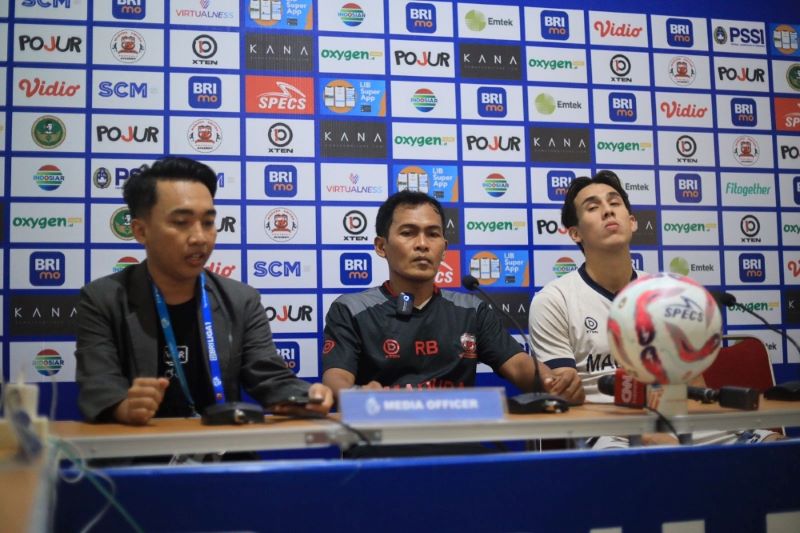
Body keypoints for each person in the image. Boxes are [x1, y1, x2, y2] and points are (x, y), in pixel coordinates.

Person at [529, 170, 779, 446]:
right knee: (658, 448)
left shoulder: (670, 293)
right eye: (593, 207)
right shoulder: (554, 300)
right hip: (609, 432)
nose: (608, 211)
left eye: (614, 203)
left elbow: (695, 386)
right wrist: (651, 436)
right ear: (575, 233)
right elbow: (564, 397)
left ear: (632, 222)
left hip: (682, 422)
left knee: (774, 444)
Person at [75, 157, 333, 425]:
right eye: (181, 222)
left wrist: (304, 397)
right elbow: (98, 385)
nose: (199, 237)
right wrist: (124, 407)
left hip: (220, 446)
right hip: (139, 447)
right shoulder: (103, 299)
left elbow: (270, 378)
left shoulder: (241, 300)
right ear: (141, 231)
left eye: (208, 222)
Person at [322, 190, 554, 400]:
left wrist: (552, 381)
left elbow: (518, 365)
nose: (422, 244)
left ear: (444, 248)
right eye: (408, 233)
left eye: (432, 234)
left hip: (455, 431)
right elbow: (335, 378)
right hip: (382, 429)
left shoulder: (472, 310)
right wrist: (358, 394)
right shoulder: (351, 308)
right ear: (381, 247)